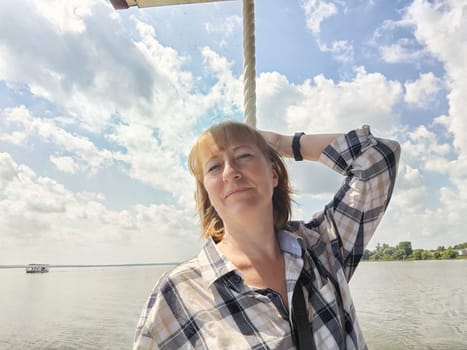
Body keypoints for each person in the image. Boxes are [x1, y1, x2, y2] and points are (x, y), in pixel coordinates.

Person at [133, 121, 400, 350]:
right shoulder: (179, 293)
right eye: (214, 167)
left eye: (244, 156)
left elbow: (378, 157)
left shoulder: (321, 247)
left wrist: (283, 143)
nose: (230, 172)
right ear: (207, 192)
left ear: (273, 173)